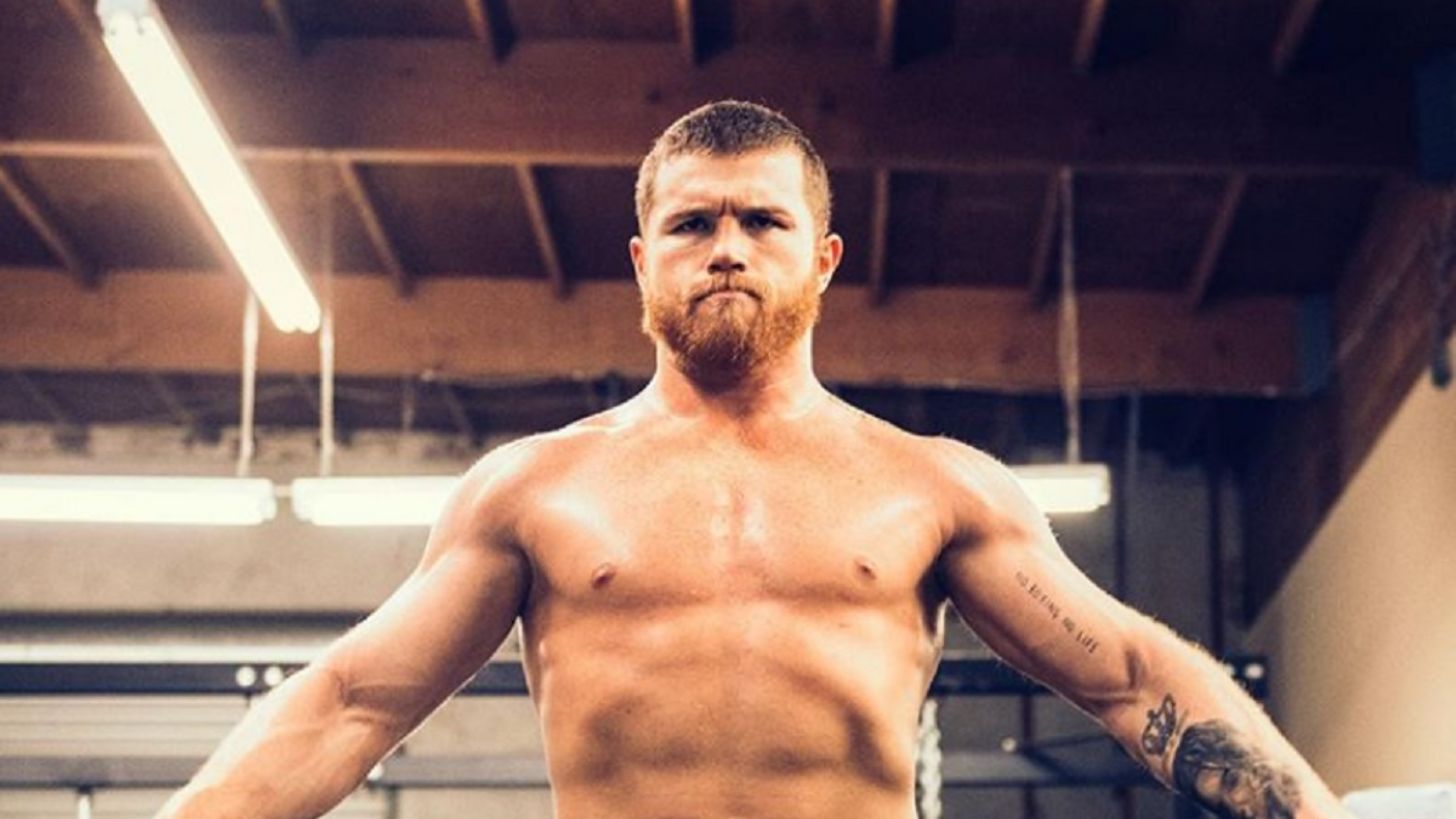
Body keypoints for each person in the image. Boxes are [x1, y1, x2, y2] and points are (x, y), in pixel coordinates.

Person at [159, 100, 1353, 819]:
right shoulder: (533, 489)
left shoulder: (933, 487)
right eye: (691, 223)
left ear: (821, 257)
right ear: (642, 259)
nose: (725, 249)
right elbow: (352, 703)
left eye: (762, 221)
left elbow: (1134, 677)